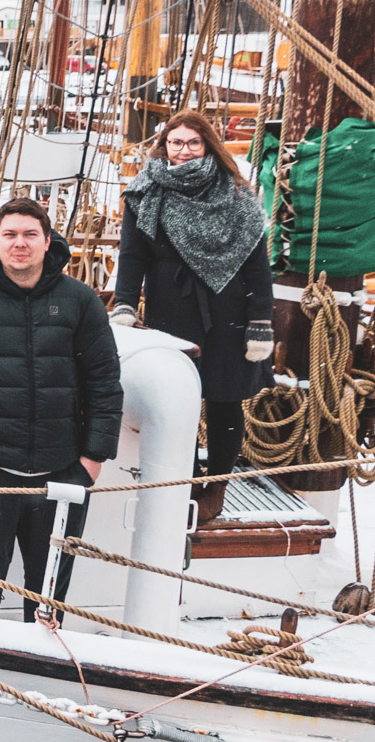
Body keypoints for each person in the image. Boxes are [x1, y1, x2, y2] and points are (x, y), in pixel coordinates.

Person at [0, 197, 122, 622]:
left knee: (49, 600)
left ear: (47, 241)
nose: (20, 244)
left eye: (30, 234)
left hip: (64, 472)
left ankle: (40, 673)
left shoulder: (81, 302)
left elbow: (104, 382)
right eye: (10, 235)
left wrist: (93, 459)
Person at [112, 109, 274, 523]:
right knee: (177, 400)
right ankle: (182, 479)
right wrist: (126, 304)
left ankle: (216, 485)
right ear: (164, 146)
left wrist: (261, 320)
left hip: (230, 310)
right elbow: (132, 256)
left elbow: (257, 264)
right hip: (171, 310)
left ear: (208, 146)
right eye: (175, 143)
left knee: (224, 401)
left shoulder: (237, 195)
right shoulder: (145, 192)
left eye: (193, 143)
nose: (184, 151)